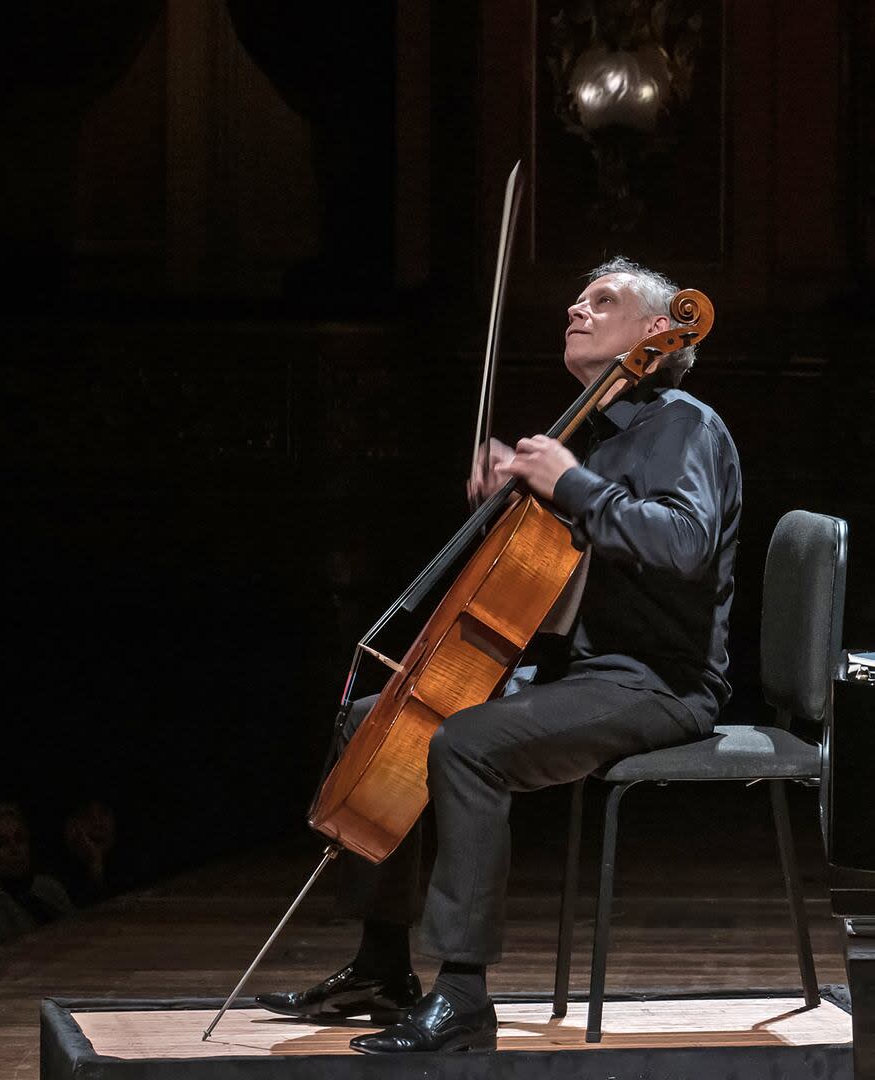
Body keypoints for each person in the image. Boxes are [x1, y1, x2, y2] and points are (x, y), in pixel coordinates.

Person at [256, 256, 741, 1054]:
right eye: (575, 300)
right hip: (574, 671)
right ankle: (381, 964)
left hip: (657, 679)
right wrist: (507, 497)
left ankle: (463, 993)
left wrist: (568, 484)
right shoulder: (587, 426)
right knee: (374, 719)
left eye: (602, 301)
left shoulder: (682, 423)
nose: (575, 311)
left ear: (659, 330)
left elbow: (683, 545)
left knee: (466, 746)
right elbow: (549, 574)